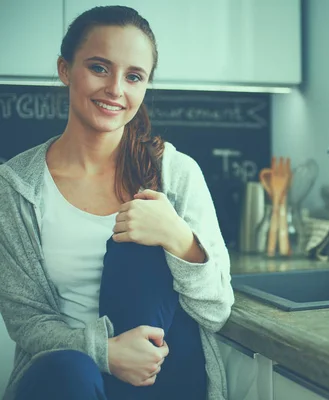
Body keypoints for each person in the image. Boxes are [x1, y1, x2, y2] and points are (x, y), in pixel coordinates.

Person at [0, 5, 234, 400]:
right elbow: (27, 322)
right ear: (64, 69)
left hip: (162, 378)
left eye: (134, 76)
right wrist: (105, 353)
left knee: (139, 253)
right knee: (71, 370)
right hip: (68, 381)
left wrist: (179, 238)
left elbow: (216, 310)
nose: (116, 90)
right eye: (99, 68)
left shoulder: (176, 174)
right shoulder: (16, 187)